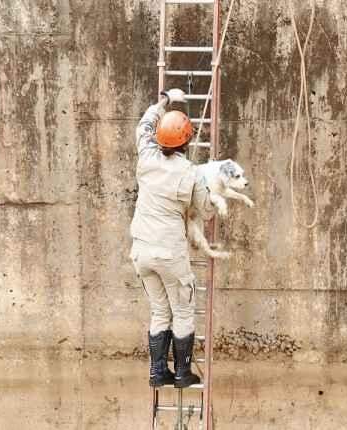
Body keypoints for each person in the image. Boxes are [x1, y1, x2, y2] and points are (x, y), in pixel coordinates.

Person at [129, 89, 215, 388]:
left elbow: (144, 125)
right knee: (182, 310)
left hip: (141, 251)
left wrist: (164, 100)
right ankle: (181, 373)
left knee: (159, 310)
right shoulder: (191, 173)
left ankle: (157, 373)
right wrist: (212, 185)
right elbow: (207, 211)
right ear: (187, 141)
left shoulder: (147, 156)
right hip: (169, 253)